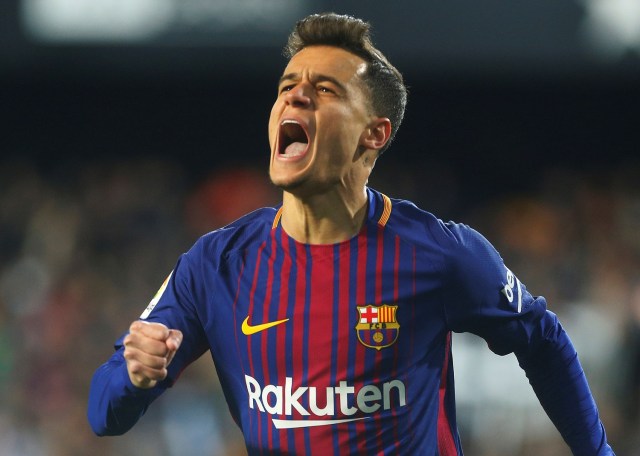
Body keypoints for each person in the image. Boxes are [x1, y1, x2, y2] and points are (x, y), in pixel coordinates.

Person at [87, 12, 615, 455]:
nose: (294, 100)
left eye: (323, 90)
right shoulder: (215, 265)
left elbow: (543, 340)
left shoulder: (440, 254)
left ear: (374, 133)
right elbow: (102, 412)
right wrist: (134, 378)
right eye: (286, 88)